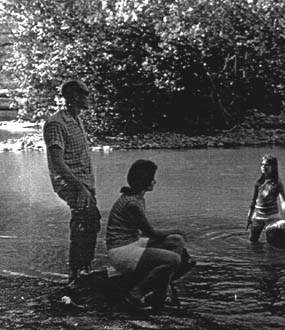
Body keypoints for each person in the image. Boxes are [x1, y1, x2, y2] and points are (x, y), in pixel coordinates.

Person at [106, 159, 195, 310]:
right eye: (152, 178)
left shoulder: (136, 198)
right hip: (121, 251)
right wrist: (176, 229)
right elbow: (151, 233)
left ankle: (162, 289)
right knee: (174, 259)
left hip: (130, 243)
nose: (155, 181)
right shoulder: (133, 203)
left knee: (176, 241)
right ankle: (136, 294)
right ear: (144, 181)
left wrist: (176, 234)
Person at [43, 79, 101, 285]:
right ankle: (76, 274)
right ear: (75, 96)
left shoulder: (76, 119)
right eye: (85, 93)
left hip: (83, 182)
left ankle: (83, 269)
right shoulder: (56, 123)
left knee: (91, 221)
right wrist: (80, 188)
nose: (88, 98)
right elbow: (58, 163)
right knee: (83, 222)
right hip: (72, 184)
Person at [246, 154, 285, 243]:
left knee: (273, 242)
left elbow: (283, 200)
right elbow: (253, 202)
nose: (263, 167)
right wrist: (249, 218)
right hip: (258, 217)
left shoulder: (277, 182)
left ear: (273, 167)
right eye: (262, 165)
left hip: (272, 217)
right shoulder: (258, 182)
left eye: (266, 165)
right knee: (252, 241)